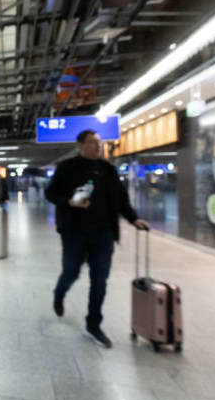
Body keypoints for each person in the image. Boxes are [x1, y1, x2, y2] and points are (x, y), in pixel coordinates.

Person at [45, 129, 149, 348]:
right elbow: (50, 193)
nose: (97, 147)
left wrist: (134, 219)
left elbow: (121, 199)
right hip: (74, 232)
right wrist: (69, 202)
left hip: (103, 234)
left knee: (99, 280)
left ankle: (94, 324)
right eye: (92, 143)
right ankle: (59, 292)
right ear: (80, 146)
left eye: (99, 143)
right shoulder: (66, 168)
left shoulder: (108, 170)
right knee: (71, 272)